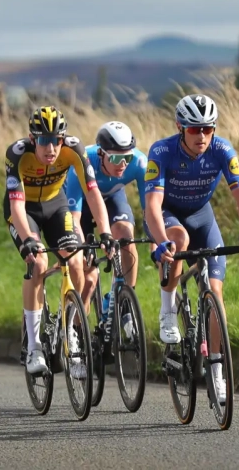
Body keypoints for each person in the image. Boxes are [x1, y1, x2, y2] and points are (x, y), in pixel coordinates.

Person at [143, 94, 239, 404]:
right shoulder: (162, 151)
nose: (202, 136)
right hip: (168, 216)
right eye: (195, 130)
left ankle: (217, 373)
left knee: (216, 295)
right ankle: (168, 310)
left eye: (208, 129)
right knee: (178, 241)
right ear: (180, 128)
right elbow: (152, 205)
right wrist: (160, 241)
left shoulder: (222, 149)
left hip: (202, 217)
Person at [4, 105, 116, 377]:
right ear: (33, 140)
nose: (51, 148)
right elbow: (16, 207)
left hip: (56, 206)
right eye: (44, 141)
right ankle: (33, 347)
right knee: (39, 262)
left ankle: (73, 336)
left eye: (56, 140)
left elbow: (92, 193)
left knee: (76, 260)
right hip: (24, 211)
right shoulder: (17, 154)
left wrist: (105, 232)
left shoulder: (74, 150)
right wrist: (30, 239)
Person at [63, 121, 147, 324]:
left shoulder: (139, 162)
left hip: (112, 198)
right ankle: (75, 330)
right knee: (87, 272)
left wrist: (156, 239)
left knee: (125, 237)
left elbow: (149, 210)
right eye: (117, 158)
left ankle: (126, 299)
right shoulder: (82, 163)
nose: (123, 163)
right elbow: (74, 217)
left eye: (127, 157)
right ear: (101, 153)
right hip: (80, 203)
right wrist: (81, 246)